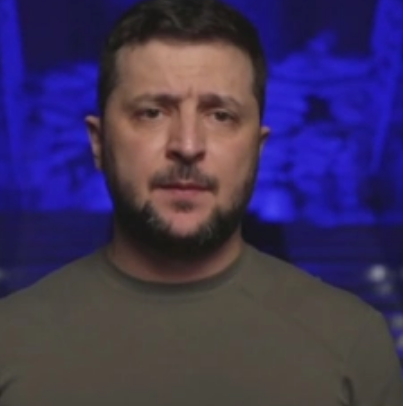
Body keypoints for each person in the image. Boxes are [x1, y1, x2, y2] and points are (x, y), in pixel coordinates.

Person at [0, 0, 402, 404]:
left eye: (221, 115)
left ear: (258, 148)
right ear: (99, 143)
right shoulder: (10, 341)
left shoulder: (353, 342)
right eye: (152, 112)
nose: (188, 145)